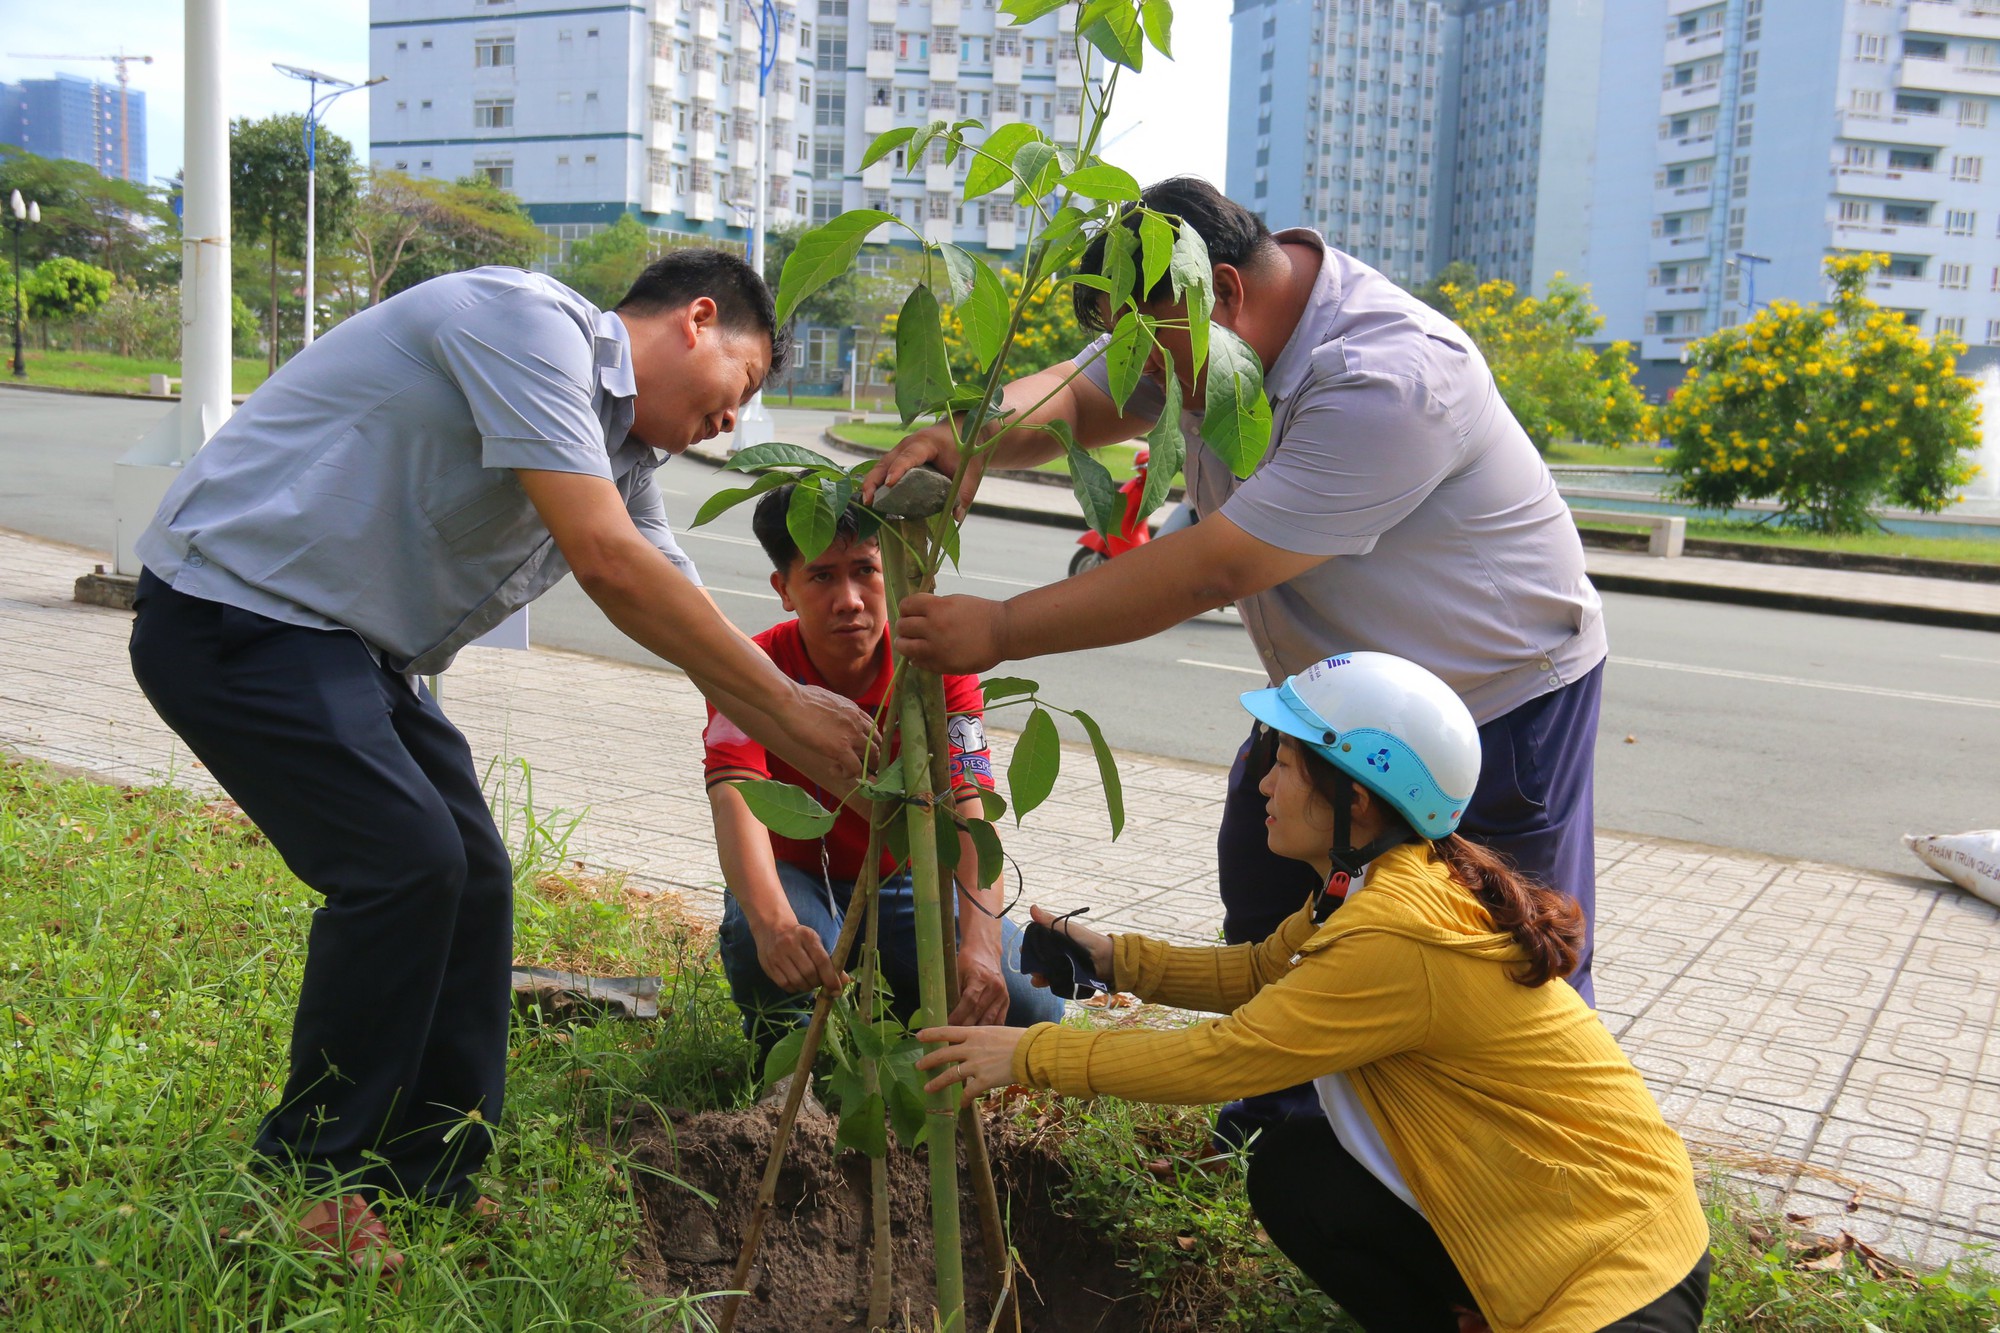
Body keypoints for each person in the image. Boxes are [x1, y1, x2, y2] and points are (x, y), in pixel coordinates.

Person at [127, 252, 873, 1273]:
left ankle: (431, 1168)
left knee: (471, 875)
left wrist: (790, 704)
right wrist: (783, 707)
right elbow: (609, 561)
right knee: (403, 863)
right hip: (236, 608)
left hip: (351, 650)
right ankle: (313, 1180)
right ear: (698, 320)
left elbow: (673, 587)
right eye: (741, 389)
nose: (729, 424)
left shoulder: (620, 455)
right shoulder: (526, 326)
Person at [864, 177, 1608, 1017]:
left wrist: (1000, 627)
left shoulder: (1388, 378)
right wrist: (969, 440)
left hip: (1491, 702)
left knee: (1497, 964)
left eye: (1145, 346)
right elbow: (1077, 395)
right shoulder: (1194, 323)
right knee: (1271, 910)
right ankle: (1283, 1127)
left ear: (1221, 291)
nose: (1143, 374)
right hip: (1331, 702)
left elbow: (1212, 567)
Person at [915, 653, 1710, 1333]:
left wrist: (1031, 1051)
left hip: (1621, 1269)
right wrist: (1114, 958)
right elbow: (1264, 970)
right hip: (1555, 1222)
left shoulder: (1394, 932)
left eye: (1287, 763)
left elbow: (1226, 1059)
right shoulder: (1371, 877)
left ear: (1355, 797)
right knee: (1299, 1172)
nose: (1263, 781)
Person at [706, 486, 1063, 1052]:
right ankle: (784, 1041)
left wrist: (980, 945)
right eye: (822, 577)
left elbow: (969, 806)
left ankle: (894, 996)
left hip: (908, 882)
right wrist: (774, 925)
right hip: (803, 878)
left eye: (864, 571)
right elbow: (735, 794)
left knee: (1032, 1007)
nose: (849, 599)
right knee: (773, 941)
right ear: (784, 590)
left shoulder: (936, 666)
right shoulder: (753, 670)